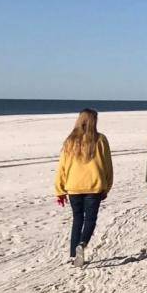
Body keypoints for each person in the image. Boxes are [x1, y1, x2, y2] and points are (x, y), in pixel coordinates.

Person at [53, 109, 113, 267]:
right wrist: (107, 186)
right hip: (93, 186)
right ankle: (82, 244)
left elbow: (62, 168)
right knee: (90, 220)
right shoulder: (100, 139)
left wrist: (59, 190)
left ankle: (73, 254)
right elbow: (107, 165)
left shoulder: (70, 141)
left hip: (73, 187)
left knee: (77, 219)